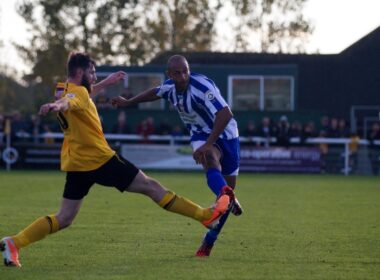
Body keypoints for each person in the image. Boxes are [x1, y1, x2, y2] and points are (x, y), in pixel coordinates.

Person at [0, 52, 235, 268]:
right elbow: (72, 100)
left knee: (64, 218)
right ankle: (205, 216)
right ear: (81, 73)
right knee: (152, 187)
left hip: (77, 163)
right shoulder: (73, 95)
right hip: (101, 160)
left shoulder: (64, 88)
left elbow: (74, 96)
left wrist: (104, 84)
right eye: (92, 73)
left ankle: (14, 243)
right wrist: (56, 105)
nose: (94, 77)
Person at [112, 54, 243, 257]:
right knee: (211, 165)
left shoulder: (201, 88)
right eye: (177, 73)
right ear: (169, 74)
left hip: (226, 134)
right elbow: (155, 92)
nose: (182, 76)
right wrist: (129, 102)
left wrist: (209, 144)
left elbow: (225, 115)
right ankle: (210, 239)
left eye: (185, 71)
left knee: (227, 191)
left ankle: (227, 195)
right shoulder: (170, 88)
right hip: (200, 134)